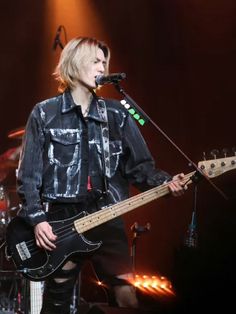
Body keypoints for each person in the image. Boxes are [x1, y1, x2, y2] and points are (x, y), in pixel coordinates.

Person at [16, 37, 187, 314]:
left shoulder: (118, 114)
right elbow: (29, 176)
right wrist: (37, 219)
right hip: (62, 219)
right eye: (95, 60)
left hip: (108, 214)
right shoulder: (44, 113)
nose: (101, 66)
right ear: (74, 63)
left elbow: (140, 168)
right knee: (58, 299)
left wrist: (166, 182)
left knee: (127, 297)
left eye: (104, 61)